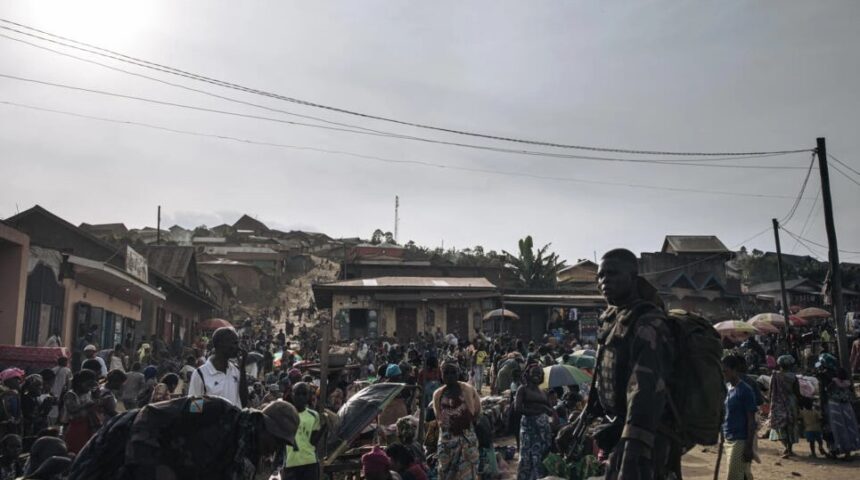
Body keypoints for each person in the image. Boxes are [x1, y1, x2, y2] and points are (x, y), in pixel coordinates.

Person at [593, 248, 677, 479]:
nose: (604, 281)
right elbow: (605, 374)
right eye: (600, 276)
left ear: (632, 277)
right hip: (619, 430)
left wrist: (632, 448)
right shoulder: (613, 318)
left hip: (645, 437)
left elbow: (645, 390)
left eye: (612, 274)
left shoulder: (648, 322)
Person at [71, 396, 299, 480]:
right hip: (120, 448)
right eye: (277, 440)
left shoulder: (245, 461)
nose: (276, 449)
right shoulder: (213, 408)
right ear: (262, 426)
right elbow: (152, 413)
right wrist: (154, 467)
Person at [432, 361, 480, 480]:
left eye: (453, 372)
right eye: (446, 372)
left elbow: (477, 411)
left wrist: (463, 422)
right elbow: (438, 417)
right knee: (446, 472)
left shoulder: (468, 390)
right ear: (441, 375)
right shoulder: (438, 394)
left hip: (466, 439)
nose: (449, 375)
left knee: (467, 473)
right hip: (446, 440)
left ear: (458, 373)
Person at [188, 327, 247, 407]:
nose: (238, 348)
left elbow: (244, 403)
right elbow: (195, 408)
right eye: (235, 343)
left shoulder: (236, 370)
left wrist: (242, 369)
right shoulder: (200, 374)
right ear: (221, 344)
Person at [514, 363, 553, 480]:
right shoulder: (522, 389)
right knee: (527, 456)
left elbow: (550, 410)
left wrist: (546, 410)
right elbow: (518, 409)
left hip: (543, 430)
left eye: (539, 373)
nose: (537, 375)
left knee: (541, 456)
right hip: (529, 429)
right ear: (528, 374)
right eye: (534, 373)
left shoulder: (543, 392)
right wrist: (539, 410)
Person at [721, 355, 757, 480]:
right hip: (729, 438)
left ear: (734, 370)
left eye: (725, 371)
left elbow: (751, 421)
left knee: (733, 476)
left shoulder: (745, 390)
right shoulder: (728, 389)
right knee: (742, 474)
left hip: (740, 440)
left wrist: (749, 446)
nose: (723, 374)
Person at [281, 382, 321, 480]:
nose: (301, 397)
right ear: (292, 395)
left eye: (304, 394)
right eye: (297, 394)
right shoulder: (285, 415)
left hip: (310, 462)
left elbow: (313, 441)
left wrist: (324, 428)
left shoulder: (314, 415)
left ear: (308, 396)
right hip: (291, 463)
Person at [822, 367, 860, 458]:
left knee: (838, 429)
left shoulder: (833, 382)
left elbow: (827, 390)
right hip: (847, 408)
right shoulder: (848, 384)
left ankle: (838, 450)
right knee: (849, 428)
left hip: (835, 409)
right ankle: (848, 452)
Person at [768, 355, 800, 458]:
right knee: (790, 425)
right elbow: (797, 392)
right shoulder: (793, 377)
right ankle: (789, 449)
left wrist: (770, 401)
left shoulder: (775, 376)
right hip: (790, 403)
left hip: (778, 403)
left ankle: (786, 447)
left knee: (779, 426)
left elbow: (771, 391)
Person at [62, 369, 99, 454]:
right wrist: (86, 406)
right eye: (88, 385)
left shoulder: (88, 393)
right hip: (73, 426)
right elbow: (72, 410)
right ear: (79, 383)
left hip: (86, 426)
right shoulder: (70, 394)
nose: (89, 388)